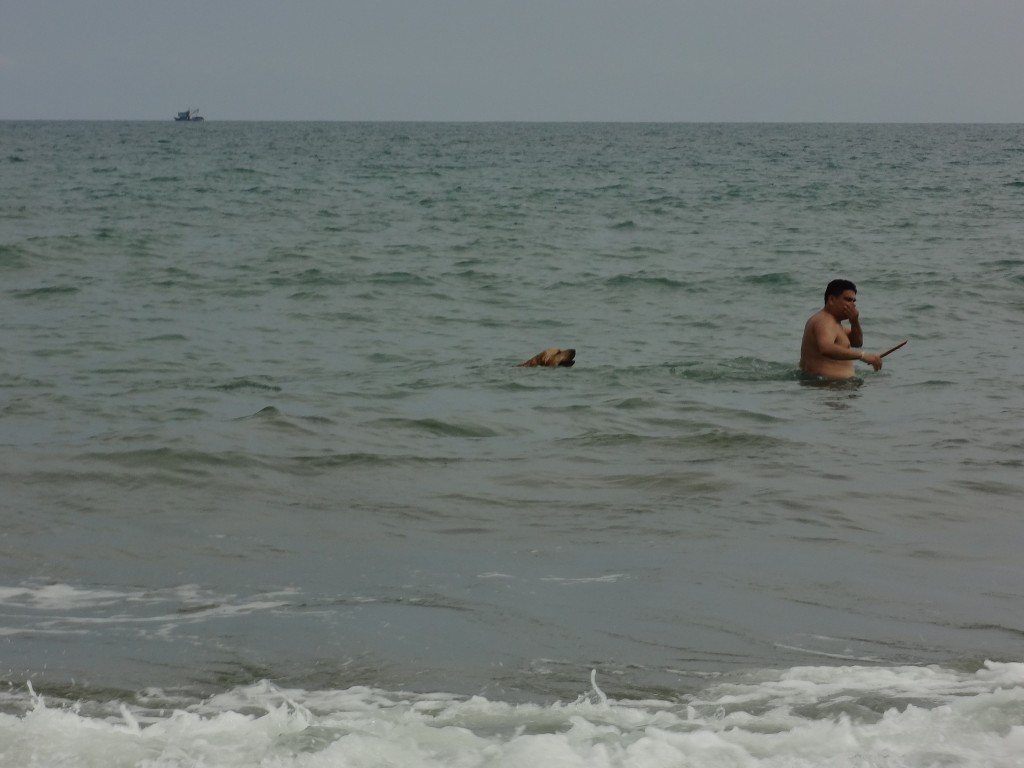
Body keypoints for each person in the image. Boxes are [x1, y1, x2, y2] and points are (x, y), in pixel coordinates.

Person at [800, 279, 883, 379]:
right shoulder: (824, 320)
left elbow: (857, 343)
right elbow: (826, 348)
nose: (852, 304)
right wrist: (862, 355)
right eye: (848, 300)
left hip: (835, 385)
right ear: (831, 300)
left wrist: (854, 322)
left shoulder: (836, 325)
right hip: (828, 386)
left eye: (853, 301)